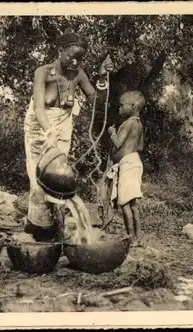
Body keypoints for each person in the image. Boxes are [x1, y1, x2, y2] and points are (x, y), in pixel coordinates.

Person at [23, 32, 114, 241]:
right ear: (59, 51)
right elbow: (38, 108)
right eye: (71, 56)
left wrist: (101, 78)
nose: (75, 62)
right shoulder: (43, 72)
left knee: (60, 179)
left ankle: (58, 230)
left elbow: (96, 104)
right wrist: (49, 133)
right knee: (38, 181)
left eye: (80, 58)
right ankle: (39, 229)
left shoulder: (78, 75)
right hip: (39, 129)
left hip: (63, 130)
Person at [106, 90, 145, 247]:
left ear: (133, 106)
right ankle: (138, 237)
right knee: (133, 203)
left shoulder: (127, 123)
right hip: (135, 161)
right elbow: (140, 146)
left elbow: (117, 143)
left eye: (122, 106)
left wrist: (112, 132)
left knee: (125, 203)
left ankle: (132, 238)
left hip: (127, 164)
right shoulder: (139, 124)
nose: (119, 109)